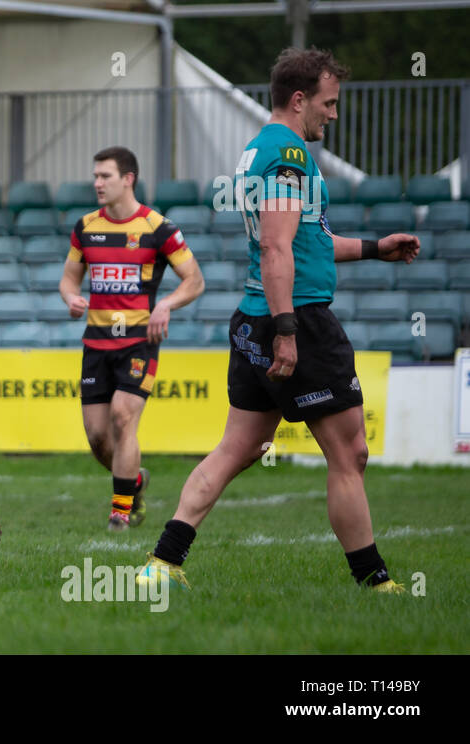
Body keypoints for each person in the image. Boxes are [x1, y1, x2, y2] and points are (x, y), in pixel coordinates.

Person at [137, 48, 419, 592]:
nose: (332, 115)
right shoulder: (289, 153)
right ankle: (375, 582)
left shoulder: (259, 149)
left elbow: (303, 241)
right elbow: (274, 248)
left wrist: (374, 249)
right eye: (327, 103)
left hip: (254, 316)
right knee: (349, 451)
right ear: (298, 99)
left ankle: (163, 563)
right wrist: (288, 331)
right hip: (297, 319)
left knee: (240, 446)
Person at [58, 147, 205, 531]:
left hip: (139, 341)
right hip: (96, 343)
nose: (97, 183)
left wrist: (166, 305)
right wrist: (71, 296)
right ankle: (134, 480)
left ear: (129, 179)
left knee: (124, 419)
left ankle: (120, 513)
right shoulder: (86, 226)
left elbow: (195, 280)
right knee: (97, 438)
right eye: (95, 176)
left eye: (105, 176)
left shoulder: (159, 228)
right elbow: (69, 278)